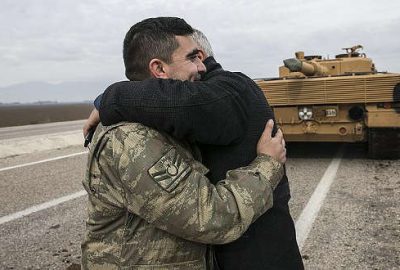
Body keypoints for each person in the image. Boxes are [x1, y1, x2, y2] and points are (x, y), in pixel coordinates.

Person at [86, 27, 304, 269]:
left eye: (201, 58)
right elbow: (209, 218)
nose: (202, 67)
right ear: (158, 68)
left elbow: (186, 101)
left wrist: (109, 99)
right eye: (192, 58)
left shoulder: (228, 93)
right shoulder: (129, 138)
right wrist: (267, 164)